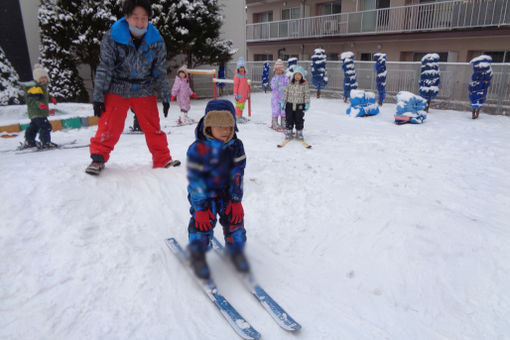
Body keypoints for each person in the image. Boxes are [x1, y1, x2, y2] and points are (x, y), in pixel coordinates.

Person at [86, 0, 179, 175]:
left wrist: (165, 96)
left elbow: (159, 70)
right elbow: (105, 67)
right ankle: (98, 158)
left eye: (144, 18)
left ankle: (162, 159)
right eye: (135, 17)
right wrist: (98, 96)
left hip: (143, 87)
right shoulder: (112, 36)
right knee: (109, 125)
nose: (140, 22)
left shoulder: (156, 39)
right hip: (117, 86)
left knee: (153, 126)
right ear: (126, 17)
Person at [186, 99, 248, 279]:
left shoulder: (236, 146)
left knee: (235, 221)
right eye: (220, 126)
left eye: (229, 126)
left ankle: (235, 249)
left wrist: (236, 200)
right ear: (208, 126)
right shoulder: (197, 150)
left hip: (228, 193)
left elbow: (238, 173)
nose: (225, 131)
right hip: (205, 196)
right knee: (202, 224)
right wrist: (200, 208)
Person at [22, 64, 57, 149]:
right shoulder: (37, 88)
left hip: (35, 112)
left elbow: (44, 96)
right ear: (37, 79)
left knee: (34, 126)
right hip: (38, 111)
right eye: (41, 78)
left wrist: (51, 98)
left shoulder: (42, 87)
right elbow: (36, 99)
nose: (43, 80)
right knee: (46, 126)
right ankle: (45, 142)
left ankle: (29, 141)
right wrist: (41, 105)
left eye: (45, 77)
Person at [281, 66, 310, 141]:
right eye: (296, 74)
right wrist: (283, 101)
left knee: (299, 119)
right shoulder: (290, 83)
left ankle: (299, 132)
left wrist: (307, 104)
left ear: (302, 76)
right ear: (293, 75)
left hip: (299, 105)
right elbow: (285, 93)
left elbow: (307, 94)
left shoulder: (304, 84)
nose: (297, 76)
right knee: (289, 118)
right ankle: (289, 131)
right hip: (290, 104)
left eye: (299, 75)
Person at [270, 59, 289, 131]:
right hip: (275, 98)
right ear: (275, 70)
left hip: (283, 98)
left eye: (280, 69)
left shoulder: (285, 78)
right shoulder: (274, 78)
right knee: (276, 110)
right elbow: (272, 87)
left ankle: (283, 123)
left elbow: (288, 86)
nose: (278, 71)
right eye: (277, 70)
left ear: (282, 70)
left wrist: (284, 88)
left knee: (283, 110)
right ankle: (274, 123)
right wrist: (276, 83)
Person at [233, 57, 250, 121]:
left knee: (242, 106)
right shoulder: (237, 76)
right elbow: (235, 86)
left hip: (244, 95)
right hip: (239, 95)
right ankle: (237, 117)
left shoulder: (245, 76)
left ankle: (240, 116)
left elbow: (247, 85)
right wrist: (235, 94)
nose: (241, 69)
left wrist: (248, 93)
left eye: (242, 67)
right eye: (240, 67)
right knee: (238, 106)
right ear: (238, 68)